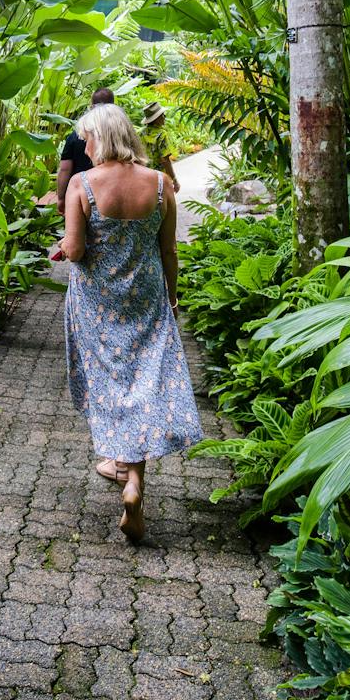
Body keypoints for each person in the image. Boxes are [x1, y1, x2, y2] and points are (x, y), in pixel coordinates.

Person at [57, 102, 203, 542]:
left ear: (101, 137)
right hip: (146, 299)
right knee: (143, 381)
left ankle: (119, 462)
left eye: (88, 137)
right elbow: (169, 251)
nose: (84, 144)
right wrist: (173, 299)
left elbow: (78, 251)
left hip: (98, 303)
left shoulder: (82, 184)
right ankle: (133, 479)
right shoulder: (160, 185)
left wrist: (64, 248)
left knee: (111, 382)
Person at [55, 86, 115, 213]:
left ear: (91, 105)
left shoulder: (76, 134)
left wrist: (61, 197)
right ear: (113, 105)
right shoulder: (119, 134)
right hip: (111, 193)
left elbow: (65, 169)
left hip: (80, 194)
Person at [142, 98, 182, 195]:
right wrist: (174, 181)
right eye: (161, 115)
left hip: (143, 176)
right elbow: (165, 161)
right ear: (156, 119)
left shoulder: (141, 133)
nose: (164, 116)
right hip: (159, 178)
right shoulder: (162, 135)